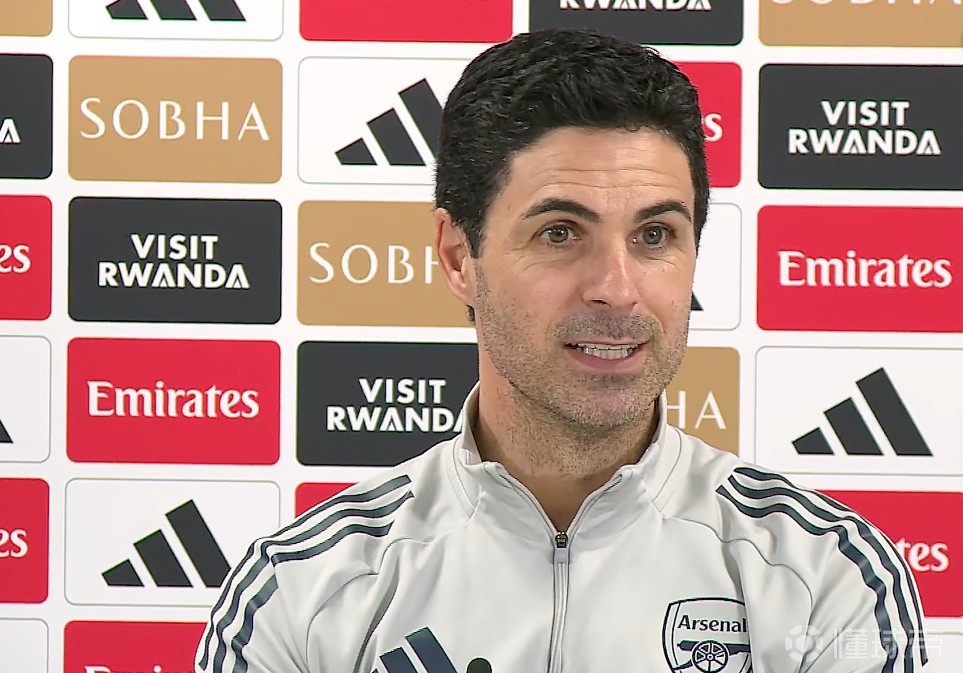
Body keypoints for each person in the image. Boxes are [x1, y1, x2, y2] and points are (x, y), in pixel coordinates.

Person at [196, 27, 931, 673]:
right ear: (457, 256)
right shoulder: (303, 588)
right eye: (559, 233)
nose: (616, 288)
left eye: (654, 235)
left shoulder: (826, 575)